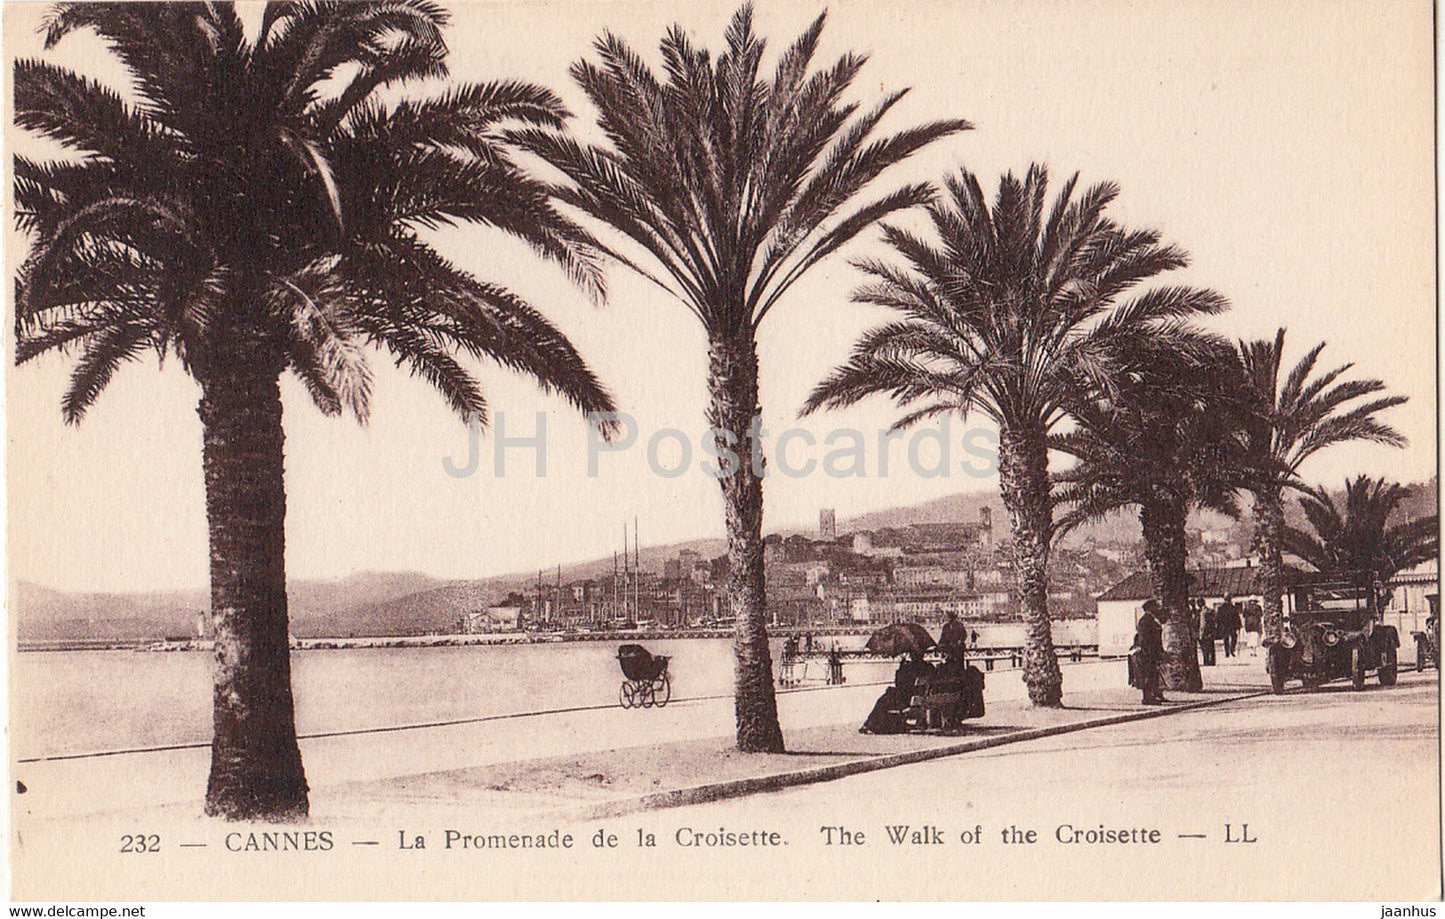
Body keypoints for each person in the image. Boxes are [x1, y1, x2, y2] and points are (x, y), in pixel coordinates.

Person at [860, 650, 934, 734]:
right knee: (886, 697)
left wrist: (901, 669)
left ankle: (869, 724)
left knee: (883, 700)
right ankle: (871, 724)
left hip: (906, 699)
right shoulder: (929, 667)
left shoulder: (908, 667)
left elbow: (899, 684)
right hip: (921, 698)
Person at [1129, 599, 1167, 704]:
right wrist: (1149, 651)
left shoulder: (1151, 619)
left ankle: (1156, 694)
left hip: (1152, 652)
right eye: (1155, 606)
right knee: (1148, 675)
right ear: (1150, 608)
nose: (1157, 608)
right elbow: (1145, 638)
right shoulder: (1145, 620)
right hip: (1148, 652)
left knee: (1154, 674)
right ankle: (1147, 698)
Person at [1197, 601, 1217, 666]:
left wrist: (1201, 634)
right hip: (1211, 631)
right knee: (1211, 646)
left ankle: (1206, 661)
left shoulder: (1203, 613)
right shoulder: (1211, 611)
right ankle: (1212, 661)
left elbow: (1203, 624)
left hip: (1205, 632)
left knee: (1205, 648)